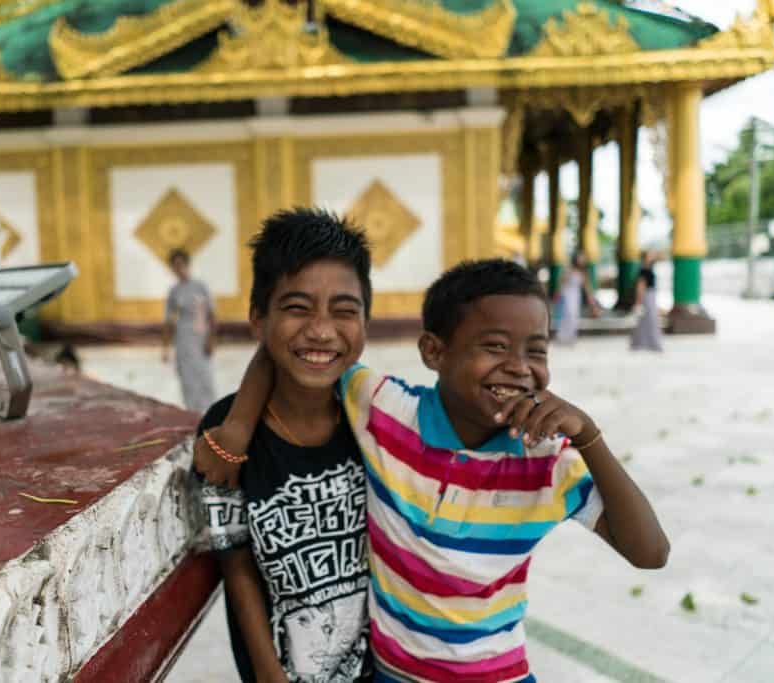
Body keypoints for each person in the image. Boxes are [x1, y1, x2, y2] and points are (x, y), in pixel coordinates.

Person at [198, 258, 670, 682]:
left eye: (537, 351)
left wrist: (589, 436)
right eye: (495, 346)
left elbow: (650, 552)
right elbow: (295, 348)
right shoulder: (384, 410)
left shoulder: (545, 463)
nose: (519, 368)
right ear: (434, 352)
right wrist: (237, 426)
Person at [196, 208, 374, 683]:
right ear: (258, 319)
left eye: (344, 311)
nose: (321, 330)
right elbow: (236, 564)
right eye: (297, 308)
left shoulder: (376, 416)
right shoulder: (224, 431)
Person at [163, 249, 217, 413]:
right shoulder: (174, 291)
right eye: (175, 266)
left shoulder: (201, 287)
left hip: (201, 338)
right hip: (183, 340)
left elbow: (212, 315)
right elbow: (169, 322)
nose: (178, 269)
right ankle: (193, 415)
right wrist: (165, 348)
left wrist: (211, 340)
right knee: (187, 380)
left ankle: (210, 415)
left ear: (187, 264)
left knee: (205, 378)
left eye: (181, 264)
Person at [554, 250, 600, 344]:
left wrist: (593, 303)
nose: (582, 260)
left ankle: (571, 336)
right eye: (580, 258)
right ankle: (563, 336)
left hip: (576, 295)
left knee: (574, 315)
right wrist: (558, 294)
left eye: (583, 258)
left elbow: (587, 288)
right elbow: (561, 283)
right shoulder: (568, 269)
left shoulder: (584, 272)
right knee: (567, 314)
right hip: (566, 294)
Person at [630, 251, 663, 352]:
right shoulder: (643, 270)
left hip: (651, 296)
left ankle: (642, 343)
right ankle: (651, 343)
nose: (652, 257)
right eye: (650, 255)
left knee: (646, 320)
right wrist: (639, 301)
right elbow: (640, 287)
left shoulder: (649, 268)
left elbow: (661, 256)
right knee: (651, 319)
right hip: (646, 297)